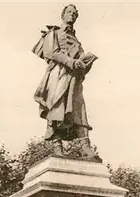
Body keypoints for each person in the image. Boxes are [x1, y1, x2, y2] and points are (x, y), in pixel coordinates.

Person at [32, 5, 98, 159]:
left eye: (75, 14)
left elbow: (80, 61)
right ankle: (57, 146)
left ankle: (85, 146)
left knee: (78, 109)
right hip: (57, 75)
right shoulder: (53, 33)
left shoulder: (76, 40)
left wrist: (85, 63)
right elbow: (51, 53)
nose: (73, 16)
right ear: (63, 15)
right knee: (57, 109)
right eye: (70, 12)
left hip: (74, 79)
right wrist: (71, 62)